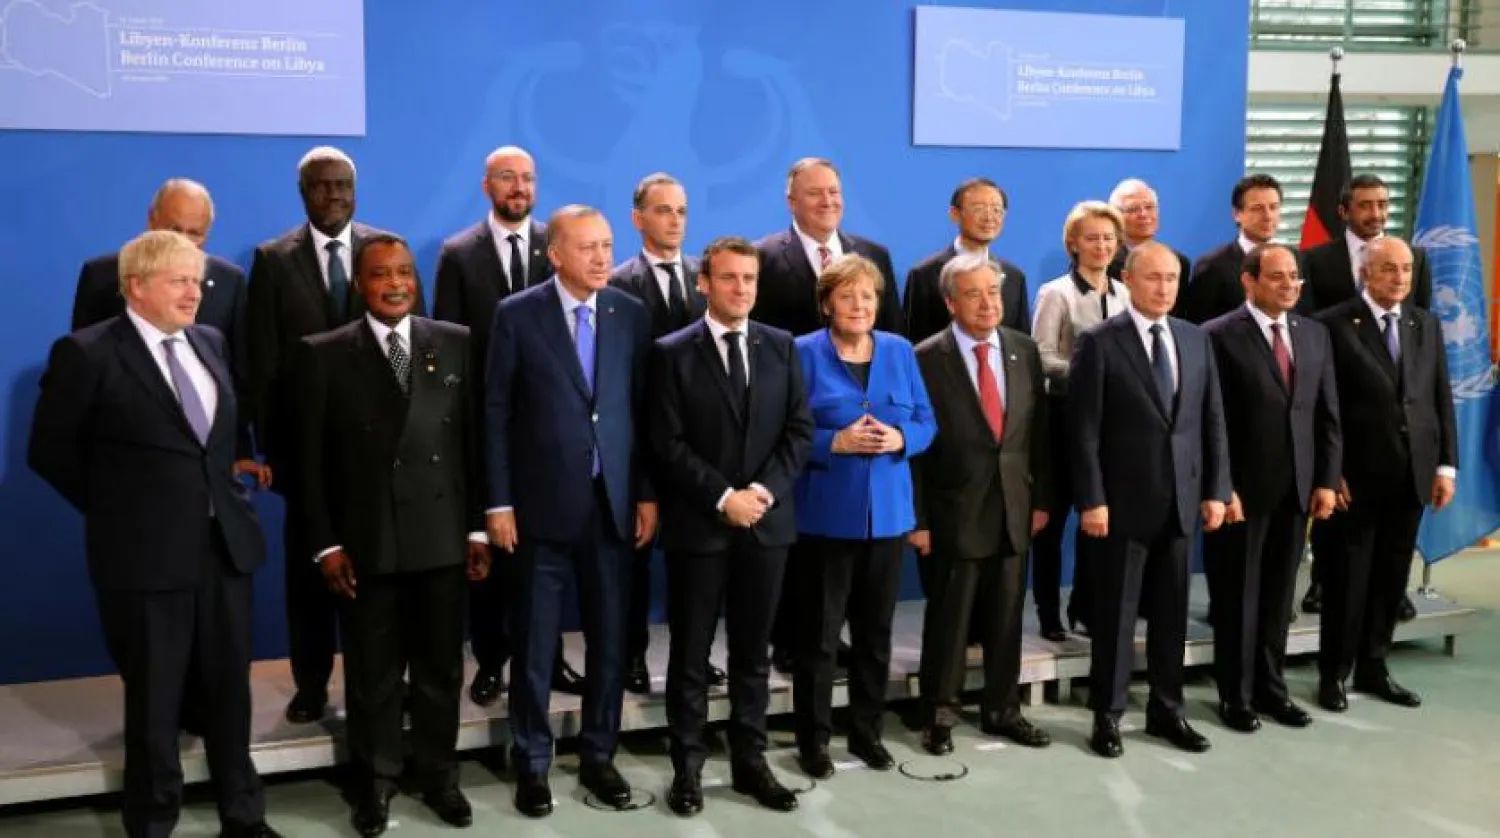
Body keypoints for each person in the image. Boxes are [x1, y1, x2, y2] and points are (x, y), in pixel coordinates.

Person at [29, 230, 282, 838]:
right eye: (179, 281)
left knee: (229, 693)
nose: (194, 293)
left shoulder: (211, 342)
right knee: (155, 700)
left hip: (224, 548)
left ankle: (242, 816)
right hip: (142, 557)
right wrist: (123, 510)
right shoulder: (87, 353)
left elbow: (211, 446)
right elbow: (50, 451)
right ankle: (152, 822)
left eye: (197, 281)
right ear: (135, 286)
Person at [297, 234, 489, 836]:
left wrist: (479, 529)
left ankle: (439, 777)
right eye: (382, 274)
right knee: (373, 675)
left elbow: (475, 447)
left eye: (405, 272)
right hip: (366, 545)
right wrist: (326, 544)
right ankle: (375, 783)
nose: (397, 283)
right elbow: (308, 465)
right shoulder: (324, 353)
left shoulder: (455, 343)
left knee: (440, 671)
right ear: (359, 284)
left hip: (441, 539)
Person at [484, 205, 656, 817]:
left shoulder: (630, 314)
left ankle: (599, 756)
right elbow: (497, 414)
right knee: (533, 646)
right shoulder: (517, 315)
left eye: (608, 246)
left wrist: (644, 493)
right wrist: (497, 502)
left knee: (610, 644)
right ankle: (531, 763)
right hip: (537, 513)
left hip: (610, 511)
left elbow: (640, 414)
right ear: (555, 254)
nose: (603, 258)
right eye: (588, 247)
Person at [247, 146, 423, 724]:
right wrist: (275, 451)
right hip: (309, 453)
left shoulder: (386, 249)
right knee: (310, 580)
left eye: (344, 185)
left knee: (385, 579)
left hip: (383, 453)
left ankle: (387, 680)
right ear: (304, 193)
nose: (335, 196)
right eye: (322, 187)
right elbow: (264, 363)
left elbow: (416, 345)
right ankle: (312, 684)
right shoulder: (273, 260)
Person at [649, 236, 813, 816]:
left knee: (753, 655)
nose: (741, 288)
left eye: (749, 279)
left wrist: (760, 494)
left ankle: (751, 763)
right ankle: (687, 769)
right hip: (701, 526)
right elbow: (665, 443)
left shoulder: (782, 347)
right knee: (691, 656)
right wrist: (724, 498)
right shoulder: (671, 353)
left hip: (767, 526)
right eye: (728, 278)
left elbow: (799, 432)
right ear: (703, 283)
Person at [431, 145, 580, 708]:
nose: (519, 187)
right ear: (486, 185)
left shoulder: (559, 245)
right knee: (492, 551)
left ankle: (549, 656)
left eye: (527, 178)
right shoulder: (458, 253)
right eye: (507, 178)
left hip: (551, 423)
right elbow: (448, 342)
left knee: (550, 552)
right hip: (486, 423)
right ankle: (491, 660)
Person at [1070, 241, 1231, 759]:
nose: (1164, 288)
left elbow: (1212, 422)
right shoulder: (1099, 342)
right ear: (1128, 282)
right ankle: (1109, 715)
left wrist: (1216, 490)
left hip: (1182, 503)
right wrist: (1092, 499)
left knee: (1172, 616)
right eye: (1153, 278)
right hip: (1120, 508)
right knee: (1116, 620)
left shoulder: (1195, 338)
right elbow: (1084, 433)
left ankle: (1167, 710)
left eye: (1171, 279)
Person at [791, 253, 936, 778]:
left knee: (875, 636)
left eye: (868, 296)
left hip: (890, 519)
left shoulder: (899, 350)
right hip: (824, 519)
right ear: (828, 303)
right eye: (848, 296)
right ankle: (813, 741)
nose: (859, 305)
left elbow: (926, 421)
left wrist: (902, 437)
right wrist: (836, 442)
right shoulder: (801, 353)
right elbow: (787, 430)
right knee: (820, 640)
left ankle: (867, 733)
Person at [753, 157, 902, 670]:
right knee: (798, 551)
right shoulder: (765, 257)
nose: (828, 202)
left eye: (835, 192)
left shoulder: (873, 254)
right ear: (791, 200)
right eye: (815, 193)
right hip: (793, 423)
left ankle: (827, 641)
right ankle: (790, 643)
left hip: (863, 439)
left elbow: (891, 341)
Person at [911, 251, 1052, 757]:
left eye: (993, 292)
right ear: (951, 302)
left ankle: (1002, 710)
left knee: (1007, 618)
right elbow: (917, 454)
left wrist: (1041, 500)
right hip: (955, 510)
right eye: (973, 293)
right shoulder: (926, 357)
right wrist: (920, 520)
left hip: (1015, 507)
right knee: (950, 622)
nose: (987, 302)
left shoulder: (1023, 349)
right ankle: (940, 715)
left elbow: (1037, 434)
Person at [1313, 237, 1457, 714]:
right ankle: (1333, 674)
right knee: (1345, 582)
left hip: (1412, 475)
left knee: (1390, 581)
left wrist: (1444, 466)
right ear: (1365, 273)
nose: (1399, 278)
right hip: (1354, 482)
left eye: (1406, 270)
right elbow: (1321, 407)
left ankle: (1374, 667)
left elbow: (1439, 398)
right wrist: (1330, 473)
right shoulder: (1331, 325)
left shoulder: (1425, 324)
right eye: (1389, 269)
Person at [1201, 244, 1342, 733]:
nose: (1289, 286)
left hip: (1296, 491)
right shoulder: (1216, 336)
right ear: (1249, 281)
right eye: (1278, 277)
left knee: (1279, 599)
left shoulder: (1314, 334)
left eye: (1295, 278)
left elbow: (1327, 415)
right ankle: (1235, 697)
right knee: (1238, 600)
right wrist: (1222, 486)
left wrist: (1325, 480)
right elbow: (1210, 421)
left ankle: (1271, 689)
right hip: (1240, 495)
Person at [608, 172, 722, 695]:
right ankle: (631, 655)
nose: (674, 220)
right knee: (631, 563)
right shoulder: (614, 284)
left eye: (680, 210)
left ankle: (695, 658)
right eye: (662, 210)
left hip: (701, 449)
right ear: (638, 219)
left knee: (698, 569)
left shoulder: (712, 278)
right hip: (638, 446)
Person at [1299, 173, 1432, 620]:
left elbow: (1420, 334)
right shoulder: (1316, 261)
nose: (1375, 213)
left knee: (1393, 536)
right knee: (1341, 535)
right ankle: (1322, 583)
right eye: (1365, 205)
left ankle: (1393, 592)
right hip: (1346, 418)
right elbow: (1312, 340)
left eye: (1382, 204)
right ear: (1344, 211)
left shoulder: (1413, 260)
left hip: (1398, 423)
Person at [1029, 200, 1128, 640]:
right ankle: (1048, 613)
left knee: (1099, 523)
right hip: (1062, 419)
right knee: (1051, 525)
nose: (1101, 245)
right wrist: (1088, 372)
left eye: (1109, 237)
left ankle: (1085, 607)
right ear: (1073, 243)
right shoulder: (1056, 292)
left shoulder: (1126, 293)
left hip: (1110, 426)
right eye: (1092, 237)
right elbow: (1040, 355)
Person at [71, 179, 251, 402]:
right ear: (152, 219)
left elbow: (241, 376)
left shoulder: (229, 281)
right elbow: (82, 361)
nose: (182, 241)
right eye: (174, 229)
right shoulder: (103, 275)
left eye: (194, 233)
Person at [904, 177, 1030, 342]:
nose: (989, 217)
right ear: (955, 214)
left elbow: (1021, 344)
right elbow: (914, 342)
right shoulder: (924, 275)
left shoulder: (1014, 277)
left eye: (997, 210)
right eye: (979, 209)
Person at [1179, 174, 1285, 325]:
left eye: (1273, 207)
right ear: (1237, 214)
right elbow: (1198, 328)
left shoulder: (1296, 260)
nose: (1268, 216)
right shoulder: (1212, 266)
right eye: (1257, 208)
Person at [1105, 178, 1192, 283]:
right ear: (1115, 216)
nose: (1143, 214)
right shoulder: (1104, 263)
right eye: (1133, 209)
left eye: (1149, 207)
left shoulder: (1179, 261)